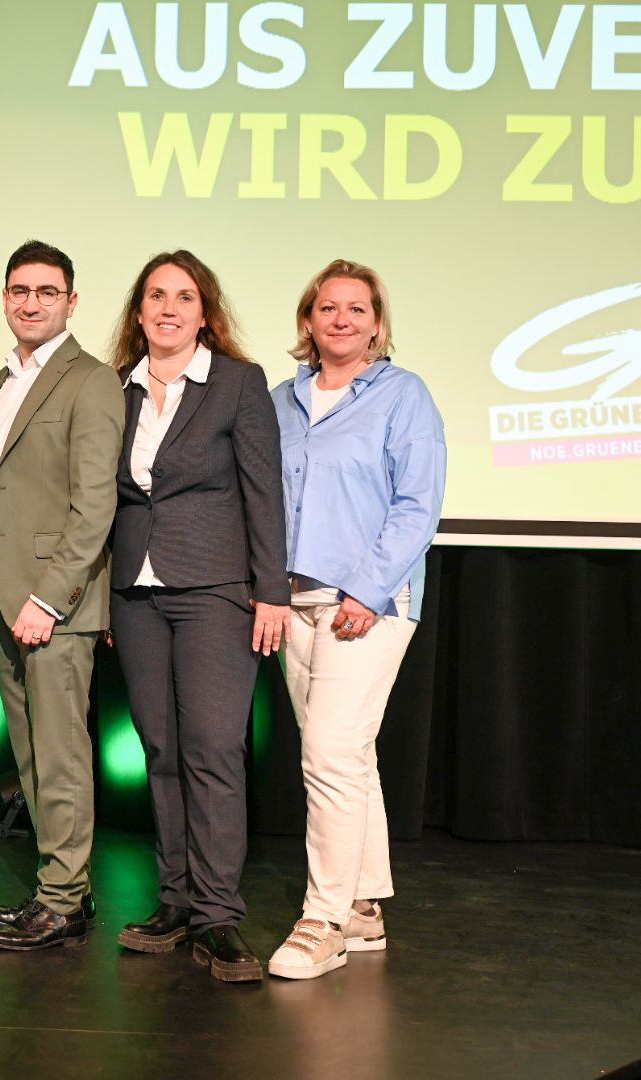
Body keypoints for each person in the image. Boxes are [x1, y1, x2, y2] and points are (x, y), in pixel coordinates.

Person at [105, 250, 288, 983]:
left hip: (215, 588)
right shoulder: (116, 388)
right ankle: (176, 900)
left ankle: (218, 915)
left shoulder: (238, 383)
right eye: (157, 296)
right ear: (139, 311)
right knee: (161, 749)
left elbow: (264, 491)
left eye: (184, 297)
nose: (169, 308)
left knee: (212, 749)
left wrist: (270, 590)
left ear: (204, 313)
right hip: (135, 592)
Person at [265, 259, 445, 980]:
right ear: (308, 322)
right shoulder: (281, 401)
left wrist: (366, 593)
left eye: (356, 309)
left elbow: (417, 505)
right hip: (295, 601)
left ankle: (324, 920)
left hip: (368, 605)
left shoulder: (404, 395)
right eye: (327, 308)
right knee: (348, 755)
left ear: (376, 324)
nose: (340, 319)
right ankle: (364, 908)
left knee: (329, 754)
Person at [0, 240, 124, 952]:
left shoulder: (91, 381)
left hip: (53, 605)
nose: (31, 303)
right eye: (20, 291)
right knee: (30, 755)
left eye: (47, 292)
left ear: (71, 301)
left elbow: (94, 507)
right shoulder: (2, 381)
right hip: (3, 599)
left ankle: (63, 900)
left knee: (59, 755)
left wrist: (50, 599)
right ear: (5, 298)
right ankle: (59, 889)